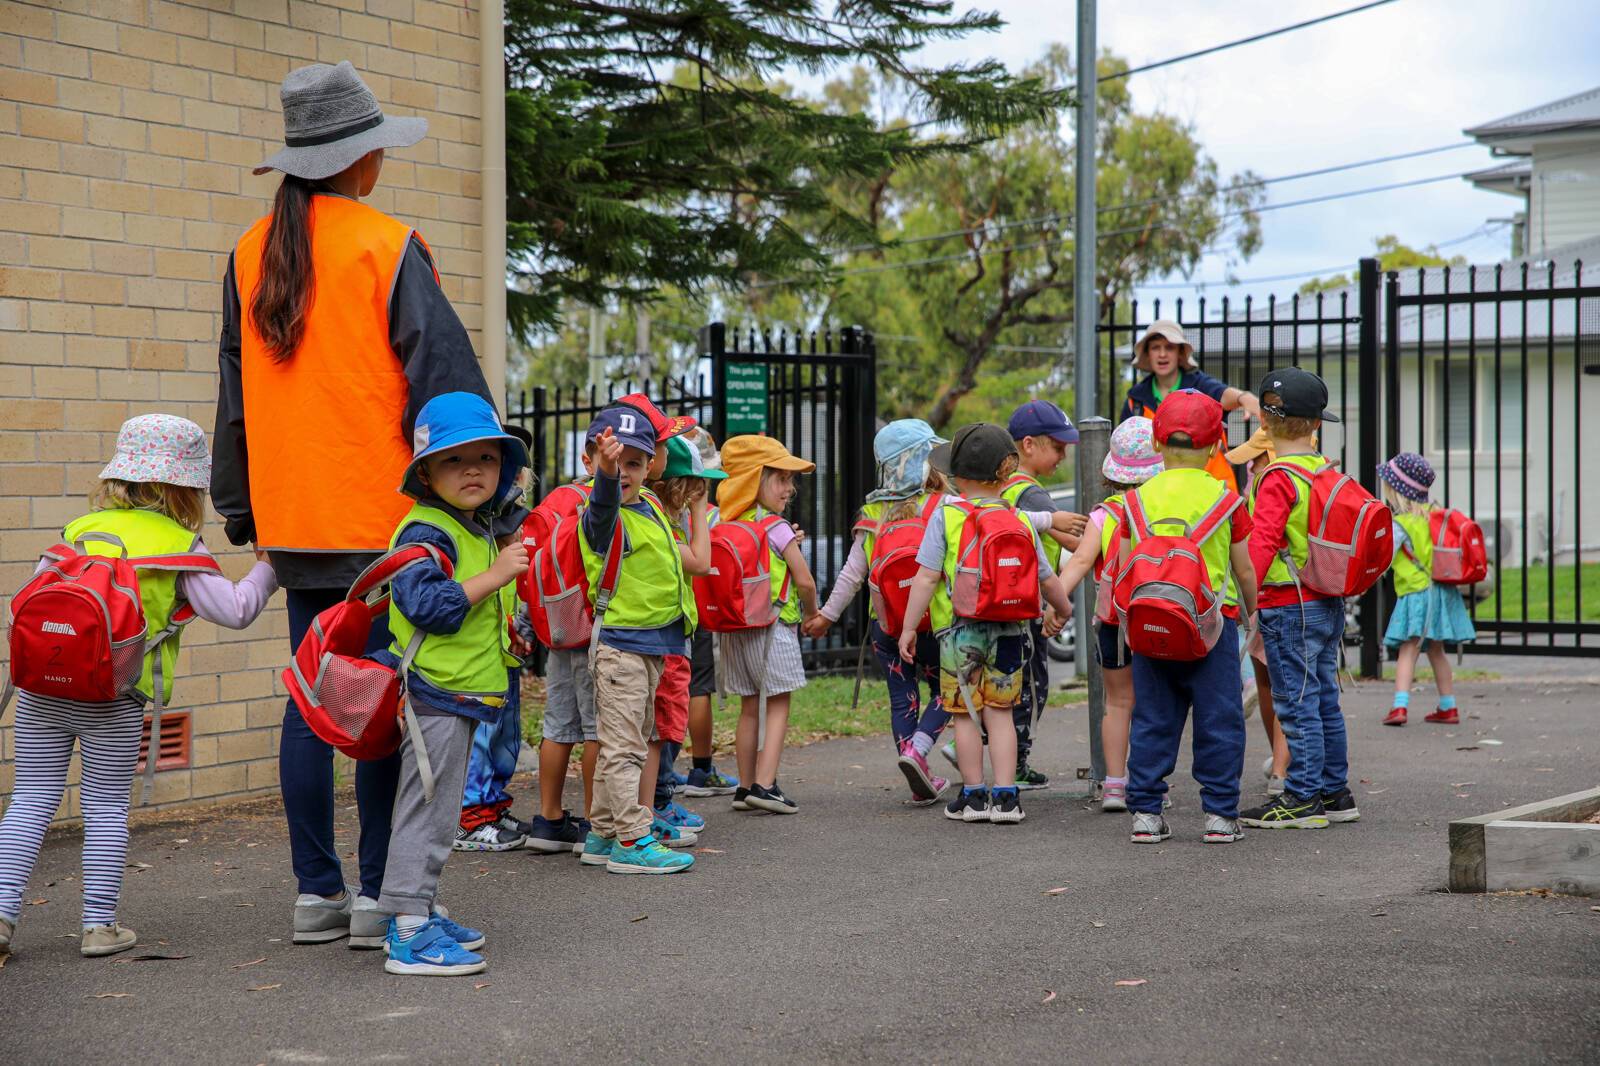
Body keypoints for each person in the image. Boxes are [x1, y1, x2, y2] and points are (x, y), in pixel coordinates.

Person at [211, 61, 513, 946]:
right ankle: (381, 894)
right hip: (383, 524)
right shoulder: (389, 246)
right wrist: (488, 497)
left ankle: (317, 895)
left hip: (295, 520)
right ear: (363, 159)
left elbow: (235, 397)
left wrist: (246, 511)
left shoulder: (247, 253)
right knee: (392, 697)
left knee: (315, 698)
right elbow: (445, 384)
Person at [0, 416, 278, 959]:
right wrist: (265, 569)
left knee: (30, 799)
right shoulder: (180, 549)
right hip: (114, 697)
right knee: (105, 807)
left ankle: (1, 914)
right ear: (185, 489)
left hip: (41, 688)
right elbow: (238, 611)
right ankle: (99, 926)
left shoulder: (81, 530)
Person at [374, 392, 529, 976]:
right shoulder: (427, 532)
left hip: (456, 693)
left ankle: (422, 909)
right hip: (433, 695)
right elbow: (428, 607)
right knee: (427, 811)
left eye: (487, 459)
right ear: (426, 474)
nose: (473, 470)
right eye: (454, 460)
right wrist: (495, 575)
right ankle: (409, 934)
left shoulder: (470, 527)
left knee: (439, 813)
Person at [896, 424, 1078, 826]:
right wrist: (1062, 609)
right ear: (1006, 472)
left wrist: (909, 628)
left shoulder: (947, 515)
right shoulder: (1021, 519)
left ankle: (975, 796)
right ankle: (1007, 797)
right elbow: (1047, 578)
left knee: (964, 714)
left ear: (957, 476)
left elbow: (926, 577)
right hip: (1011, 630)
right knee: (1001, 713)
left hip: (959, 631)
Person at [1107, 391, 1257, 844]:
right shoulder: (1225, 500)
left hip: (1151, 626)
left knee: (1152, 717)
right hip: (1213, 626)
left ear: (1156, 442)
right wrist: (1253, 615)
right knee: (1220, 718)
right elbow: (1244, 567)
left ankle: (1147, 814)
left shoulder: (1136, 501)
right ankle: (1219, 816)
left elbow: (1125, 566)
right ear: (1216, 447)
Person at [576, 408, 701, 873]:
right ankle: (632, 840)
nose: (624, 471)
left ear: (650, 465)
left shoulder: (648, 505)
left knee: (629, 738)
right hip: (621, 645)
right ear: (590, 462)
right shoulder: (600, 515)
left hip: (649, 645)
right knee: (624, 747)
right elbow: (605, 502)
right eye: (613, 461)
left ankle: (604, 833)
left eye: (634, 462)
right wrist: (607, 476)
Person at [806, 420, 954, 803]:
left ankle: (913, 768)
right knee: (949, 690)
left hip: (887, 628)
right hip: (938, 624)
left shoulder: (873, 516)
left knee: (902, 697)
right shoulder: (945, 506)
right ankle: (918, 751)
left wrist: (826, 616)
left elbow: (852, 575)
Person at [1238, 368, 1355, 831]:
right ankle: (1334, 791)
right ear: (1317, 424)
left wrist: (1250, 600)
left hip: (1287, 603)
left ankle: (1301, 798)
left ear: (1265, 424)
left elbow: (1261, 546)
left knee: (1296, 702)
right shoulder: (1323, 471)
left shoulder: (1277, 478)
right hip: (1326, 598)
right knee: (1325, 697)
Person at [1056, 417, 1163, 813]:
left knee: (1117, 703)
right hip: (1157, 619)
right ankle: (1151, 784)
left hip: (1114, 624)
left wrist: (1057, 602)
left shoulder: (1104, 515)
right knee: (1154, 704)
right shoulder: (1162, 508)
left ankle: (1114, 785)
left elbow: (1082, 560)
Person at [717, 436, 821, 815]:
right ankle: (766, 783)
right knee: (778, 702)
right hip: (774, 626)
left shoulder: (722, 520)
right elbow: (805, 580)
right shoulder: (774, 526)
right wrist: (812, 612)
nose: (790, 489)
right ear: (756, 479)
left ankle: (744, 785)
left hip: (735, 627)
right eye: (781, 479)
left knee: (749, 706)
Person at [456, 429, 538, 853]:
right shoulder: (481, 523)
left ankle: (492, 805)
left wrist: (514, 630)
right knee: (483, 737)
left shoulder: (510, 517)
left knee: (506, 735)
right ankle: (469, 818)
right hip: (478, 657)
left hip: (504, 642)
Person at [1000, 400, 1086, 790]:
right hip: (1028, 604)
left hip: (1001, 602)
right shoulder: (1031, 494)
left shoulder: (1002, 488)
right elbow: (1066, 537)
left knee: (1000, 681)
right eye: (1058, 447)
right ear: (1029, 445)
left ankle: (968, 742)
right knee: (1032, 689)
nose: (1063, 455)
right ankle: (1016, 762)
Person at [639, 434, 718, 843]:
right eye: (696, 489)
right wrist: (700, 511)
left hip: (668, 637)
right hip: (659, 640)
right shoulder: (660, 525)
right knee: (657, 731)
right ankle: (649, 810)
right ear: (678, 489)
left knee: (662, 730)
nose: (699, 497)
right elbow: (702, 562)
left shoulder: (661, 522)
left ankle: (655, 802)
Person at [528, 439, 599, 855]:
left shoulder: (558, 498)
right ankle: (594, 821)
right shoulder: (605, 503)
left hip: (557, 623)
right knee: (596, 729)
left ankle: (549, 819)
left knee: (557, 726)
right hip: (593, 628)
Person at [1378, 452, 1477, 727]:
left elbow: (1383, 558)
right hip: (1440, 592)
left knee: (1408, 650)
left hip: (1415, 594)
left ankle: (1399, 706)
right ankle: (1448, 706)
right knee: (1437, 650)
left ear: (1397, 491)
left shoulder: (1400, 525)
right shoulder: (1436, 517)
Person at [1223, 427, 1292, 797]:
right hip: (1287, 594)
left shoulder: (1264, 490)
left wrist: (1245, 601)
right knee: (1280, 685)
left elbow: (1252, 554)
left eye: (1256, 457)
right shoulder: (1297, 481)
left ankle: (1280, 765)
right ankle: (1281, 764)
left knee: (1272, 684)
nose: (1250, 465)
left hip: (1266, 596)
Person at [675, 429, 741, 799]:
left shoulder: (652, 508)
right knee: (698, 687)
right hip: (696, 609)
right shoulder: (712, 517)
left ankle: (664, 770)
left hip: (662, 611)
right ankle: (701, 768)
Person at [1119, 320, 1262, 486]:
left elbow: (1223, 395)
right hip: (1159, 494)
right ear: (1148, 353)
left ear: (1180, 353)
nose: (1162, 354)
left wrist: (1244, 398)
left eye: (1169, 347)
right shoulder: (1135, 399)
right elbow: (1125, 452)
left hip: (1211, 493)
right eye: (1155, 347)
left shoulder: (1200, 385)